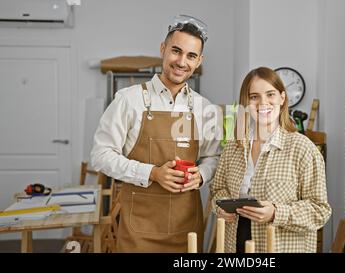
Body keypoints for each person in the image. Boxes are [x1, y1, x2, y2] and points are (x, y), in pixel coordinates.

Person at [90, 15, 221, 252]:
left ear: (199, 61)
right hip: (137, 228)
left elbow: (215, 157)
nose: (182, 62)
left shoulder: (205, 109)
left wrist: (201, 174)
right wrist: (152, 173)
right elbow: (100, 155)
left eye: (191, 56)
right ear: (163, 49)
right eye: (176, 51)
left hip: (186, 229)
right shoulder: (128, 100)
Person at [210, 67, 331, 253]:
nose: (262, 103)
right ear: (246, 103)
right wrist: (221, 207)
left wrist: (276, 212)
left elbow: (320, 210)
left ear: (282, 98)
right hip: (235, 244)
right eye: (254, 97)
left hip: (281, 247)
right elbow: (217, 190)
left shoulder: (302, 148)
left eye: (270, 94)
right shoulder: (234, 146)